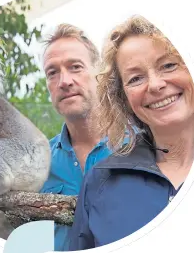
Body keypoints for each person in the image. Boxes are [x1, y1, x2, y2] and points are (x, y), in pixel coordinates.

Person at [68, 15, 194, 250]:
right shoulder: (100, 182)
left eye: (168, 65)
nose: (155, 84)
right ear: (124, 99)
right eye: (136, 78)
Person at [39, 24, 128, 251]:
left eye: (75, 67)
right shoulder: (38, 162)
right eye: (52, 72)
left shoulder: (142, 146)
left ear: (99, 73)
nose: (64, 81)